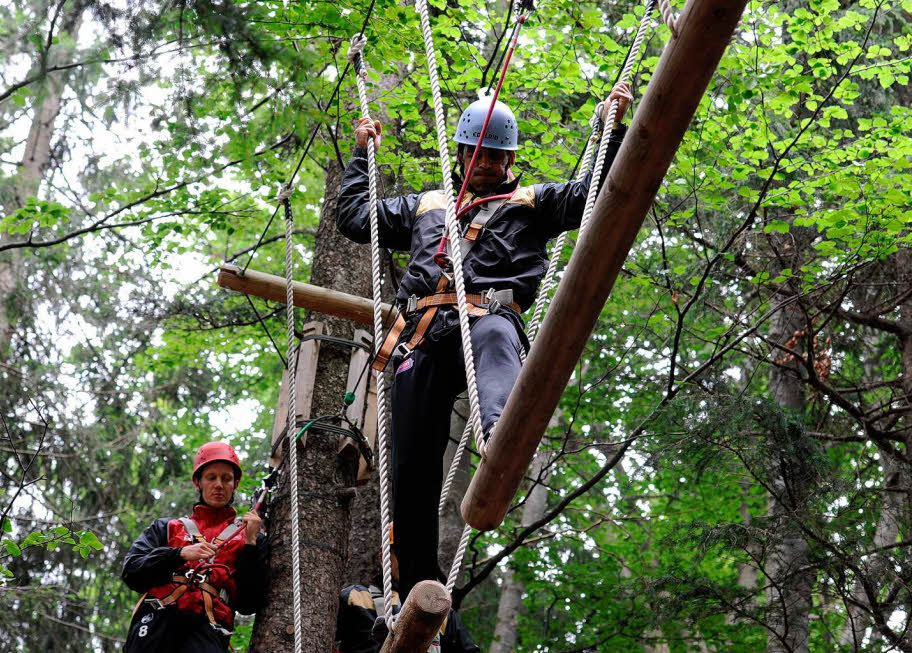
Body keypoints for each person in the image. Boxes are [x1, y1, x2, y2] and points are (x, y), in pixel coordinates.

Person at [335, 83, 634, 601]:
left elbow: (599, 194)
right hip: (423, 338)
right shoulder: (427, 206)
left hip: (486, 320)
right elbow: (357, 220)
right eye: (478, 154)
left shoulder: (533, 203)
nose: (487, 164)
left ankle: (501, 434)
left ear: (511, 158)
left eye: (496, 156)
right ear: (461, 154)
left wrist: (610, 127)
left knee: (497, 338)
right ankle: (415, 593)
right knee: (410, 475)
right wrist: (363, 153)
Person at [121, 442, 268, 652]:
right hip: (156, 623)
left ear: (235, 484)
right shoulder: (167, 528)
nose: (219, 485)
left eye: (226, 479)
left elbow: (248, 603)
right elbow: (132, 571)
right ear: (197, 482)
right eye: (211, 478)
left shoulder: (247, 537)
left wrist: (250, 546)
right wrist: (178, 554)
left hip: (207, 630)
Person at [335, 523, 478, 653]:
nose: (408, 559)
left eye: (414, 553)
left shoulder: (440, 612)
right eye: (400, 552)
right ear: (383, 557)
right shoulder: (356, 597)